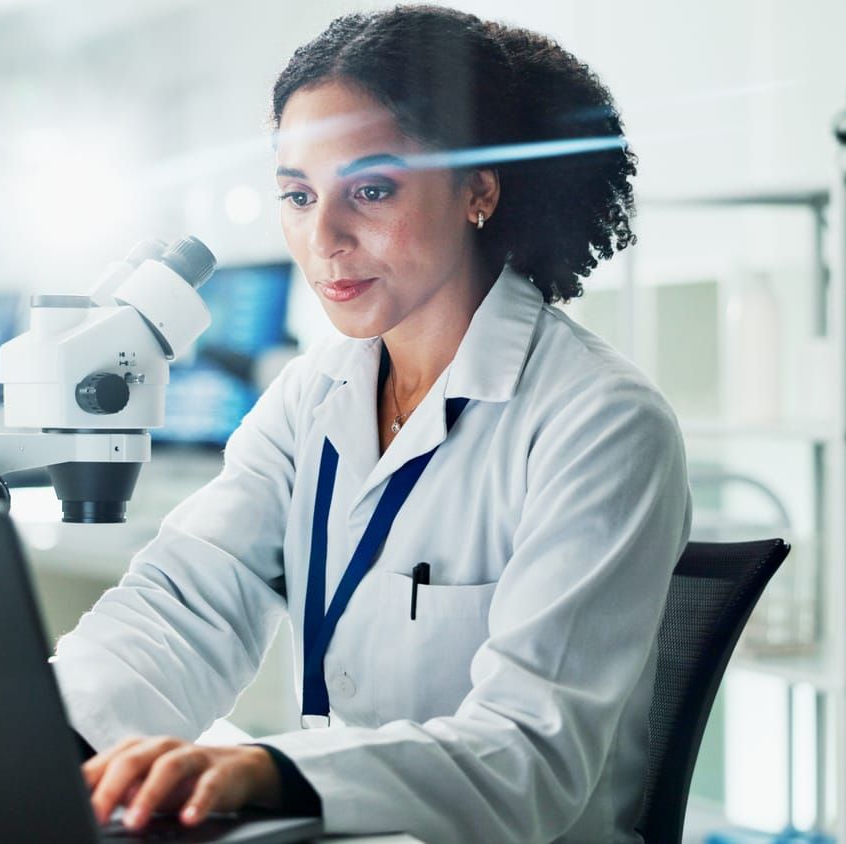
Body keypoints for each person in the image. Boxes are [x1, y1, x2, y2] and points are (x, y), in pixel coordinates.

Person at [52, 7, 692, 842]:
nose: (324, 239)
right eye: (297, 195)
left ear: (478, 191)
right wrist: (43, 737)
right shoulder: (309, 396)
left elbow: (529, 757)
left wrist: (268, 771)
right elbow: (186, 602)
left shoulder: (600, 423)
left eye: (373, 189)